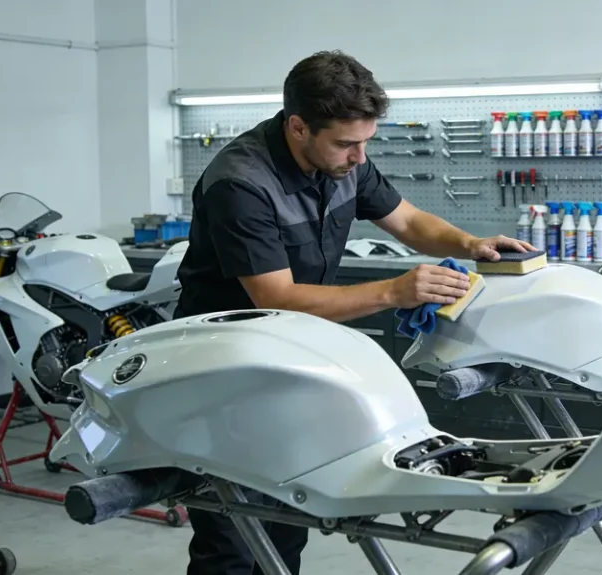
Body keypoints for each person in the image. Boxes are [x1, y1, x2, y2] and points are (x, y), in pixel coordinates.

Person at [174, 50, 535, 574]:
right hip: (224, 369)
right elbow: (277, 299)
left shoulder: (343, 159)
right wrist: (394, 292)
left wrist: (469, 242)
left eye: (366, 141)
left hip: (292, 355)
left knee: (286, 517)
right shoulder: (241, 183)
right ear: (298, 127)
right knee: (231, 534)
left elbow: (408, 221)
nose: (359, 158)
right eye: (347, 143)